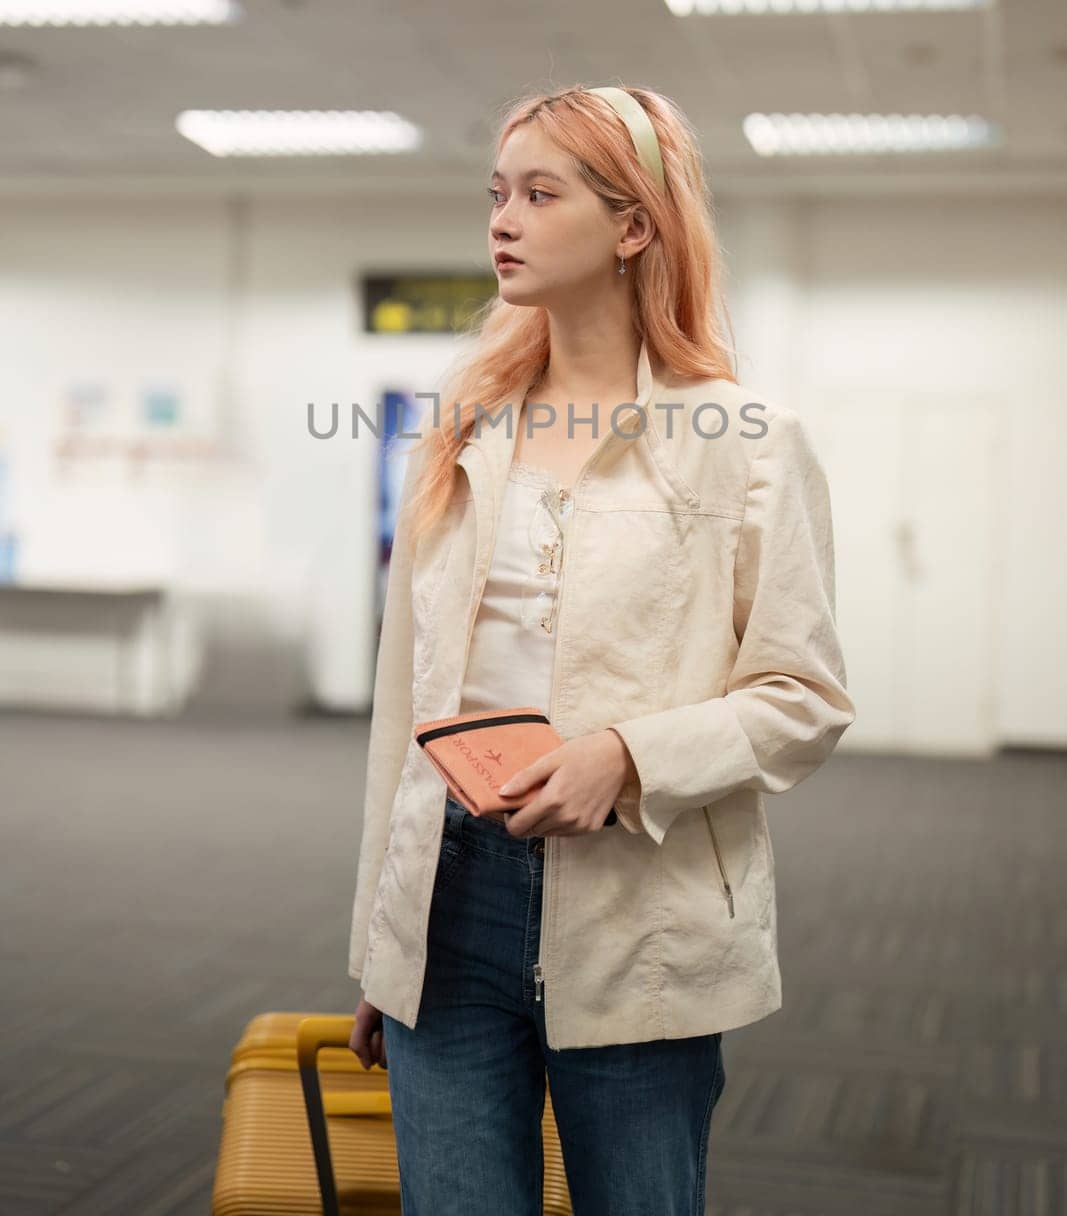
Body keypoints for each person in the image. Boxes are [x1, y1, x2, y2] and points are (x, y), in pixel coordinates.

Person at [348, 84, 856, 1215]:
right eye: (496, 194)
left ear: (632, 226)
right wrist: (379, 943)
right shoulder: (462, 431)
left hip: (643, 907)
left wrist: (625, 755)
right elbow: (402, 706)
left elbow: (802, 696)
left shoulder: (744, 442)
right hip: (447, 898)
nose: (503, 221)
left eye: (540, 193)